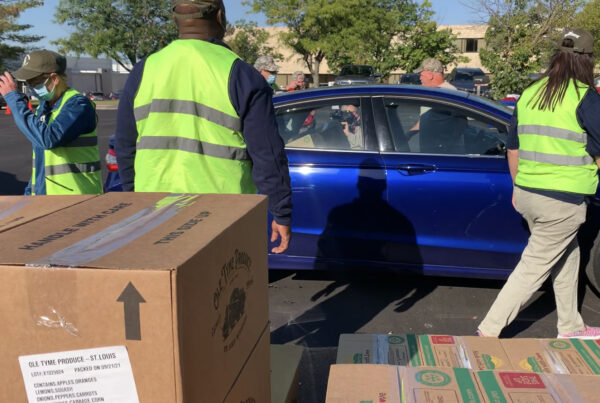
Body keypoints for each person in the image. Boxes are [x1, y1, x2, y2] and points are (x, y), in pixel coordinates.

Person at [115, 0, 292, 254]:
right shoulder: (241, 74)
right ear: (220, 17)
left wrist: (135, 199)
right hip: (223, 217)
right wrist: (281, 211)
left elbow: (125, 145)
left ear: (175, 20)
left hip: (155, 213)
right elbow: (267, 154)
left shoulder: (144, 70)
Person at [477, 28, 600, 339]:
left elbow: (513, 146)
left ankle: (570, 326)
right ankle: (487, 331)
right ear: (586, 60)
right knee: (533, 268)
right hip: (562, 200)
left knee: (567, 256)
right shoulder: (585, 97)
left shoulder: (531, 92)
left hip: (529, 194)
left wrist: (518, 187)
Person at [0, 50, 102, 195]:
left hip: (77, 200)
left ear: (54, 79)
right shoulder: (44, 108)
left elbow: (49, 139)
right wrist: (30, 193)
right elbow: (41, 163)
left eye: (35, 83)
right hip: (45, 200)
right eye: (29, 84)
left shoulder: (79, 105)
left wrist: (14, 100)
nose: (32, 89)